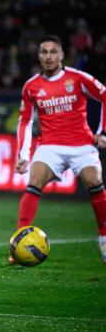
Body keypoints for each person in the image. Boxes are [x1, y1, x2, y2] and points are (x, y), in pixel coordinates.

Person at [12, 34, 106, 264]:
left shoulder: (78, 78)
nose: (48, 56)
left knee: (94, 182)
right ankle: (18, 242)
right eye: (44, 52)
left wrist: (102, 132)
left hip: (82, 145)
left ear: (62, 54)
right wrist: (23, 155)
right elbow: (25, 121)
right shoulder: (32, 86)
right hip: (50, 145)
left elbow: (104, 96)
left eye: (53, 51)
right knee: (34, 182)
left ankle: (104, 239)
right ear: (38, 56)